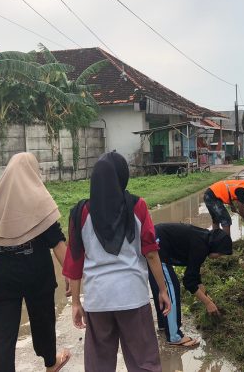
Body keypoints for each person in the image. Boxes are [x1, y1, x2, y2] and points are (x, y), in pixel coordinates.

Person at [62, 152, 171, 372]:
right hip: (132, 297)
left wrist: (75, 302)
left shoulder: (80, 213)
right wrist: (163, 290)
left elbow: (75, 262)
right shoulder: (138, 206)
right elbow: (151, 253)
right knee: (144, 363)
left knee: (99, 365)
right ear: (123, 176)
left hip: (98, 300)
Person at [0, 152, 71, 372]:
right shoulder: (39, 200)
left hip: (1, 277)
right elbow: (57, 242)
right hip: (36, 274)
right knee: (43, 322)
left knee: (3, 338)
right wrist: (70, 274)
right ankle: (50, 362)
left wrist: (2, 260)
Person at [148, 223, 233, 347]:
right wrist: (208, 303)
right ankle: (174, 336)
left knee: (161, 288)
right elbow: (188, 281)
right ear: (216, 246)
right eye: (220, 254)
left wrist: (204, 292)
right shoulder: (201, 247)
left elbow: (194, 273)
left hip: (155, 243)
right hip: (158, 247)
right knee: (171, 288)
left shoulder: (203, 238)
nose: (219, 257)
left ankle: (163, 324)